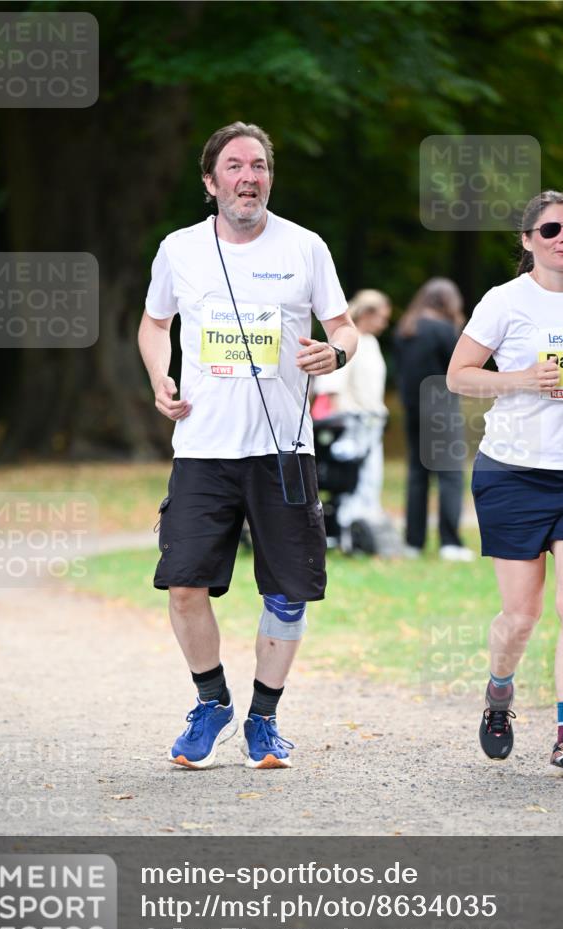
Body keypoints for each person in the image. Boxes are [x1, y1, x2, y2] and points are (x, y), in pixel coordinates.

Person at [138, 122, 357, 770]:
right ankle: (212, 703)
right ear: (210, 182)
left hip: (284, 448)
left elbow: (343, 327)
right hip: (203, 444)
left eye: (258, 165)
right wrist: (160, 376)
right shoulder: (179, 249)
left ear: (269, 176)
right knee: (183, 583)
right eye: (233, 165)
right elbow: (154, 325)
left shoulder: (305, 247)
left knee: (286, 590)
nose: (247, 176)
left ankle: (263, 718)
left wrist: (335, 350)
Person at [447, 190, 563, 779]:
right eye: (550, 230)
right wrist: (521, 378)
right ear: (527, 241)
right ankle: (499, 692)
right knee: (521, 616)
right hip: (511, 471)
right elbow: (459, 376)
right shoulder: (505, 302)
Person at [394, 278, 474, 561]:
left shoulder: (406, 328)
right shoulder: (444, 330)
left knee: (418, 475)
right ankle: (449, 542)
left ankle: (413, 542)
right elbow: (461, 368)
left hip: (412, 408)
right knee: (450, 475)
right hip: (441, 408)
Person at [312, 289, 391, 532]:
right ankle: (345, 527)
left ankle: (363, 526)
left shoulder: (372, 343)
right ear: (368, 313)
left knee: (371, 479)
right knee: (352, 480)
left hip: (370, 423)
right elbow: (331, 387)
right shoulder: (349, 341)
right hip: (348, 424)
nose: (385, 324)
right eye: (382, 317)